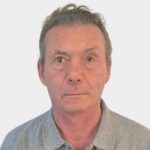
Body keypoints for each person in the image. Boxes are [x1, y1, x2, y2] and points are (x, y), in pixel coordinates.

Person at [1, 3, 150, 150]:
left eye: (89, 59)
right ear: (41, 72)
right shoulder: (16, 144)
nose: (74, 75)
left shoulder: (144, 143)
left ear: (108, 69)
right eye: (60, 59)